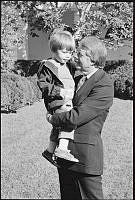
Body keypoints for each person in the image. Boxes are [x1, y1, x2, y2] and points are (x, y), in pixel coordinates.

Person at [46, 36, 114, 199]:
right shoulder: (76, 78)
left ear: (93, 58)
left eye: (80, 54)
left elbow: (77, 116)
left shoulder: (104, 83)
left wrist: (52, 118)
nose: (74, 56)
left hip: (85, 157)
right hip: (65, 155)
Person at [37, 30, 80, 167]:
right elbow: (43, 85)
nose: (68, 56)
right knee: (69, 121)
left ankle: (49, 151)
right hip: (58, 102)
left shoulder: (67, 65)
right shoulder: (48, 65)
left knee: (58, 127)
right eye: (64, 52)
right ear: (54, 50)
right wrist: (60, 92)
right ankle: (62, 149)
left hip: (68, 101)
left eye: (70, 52)